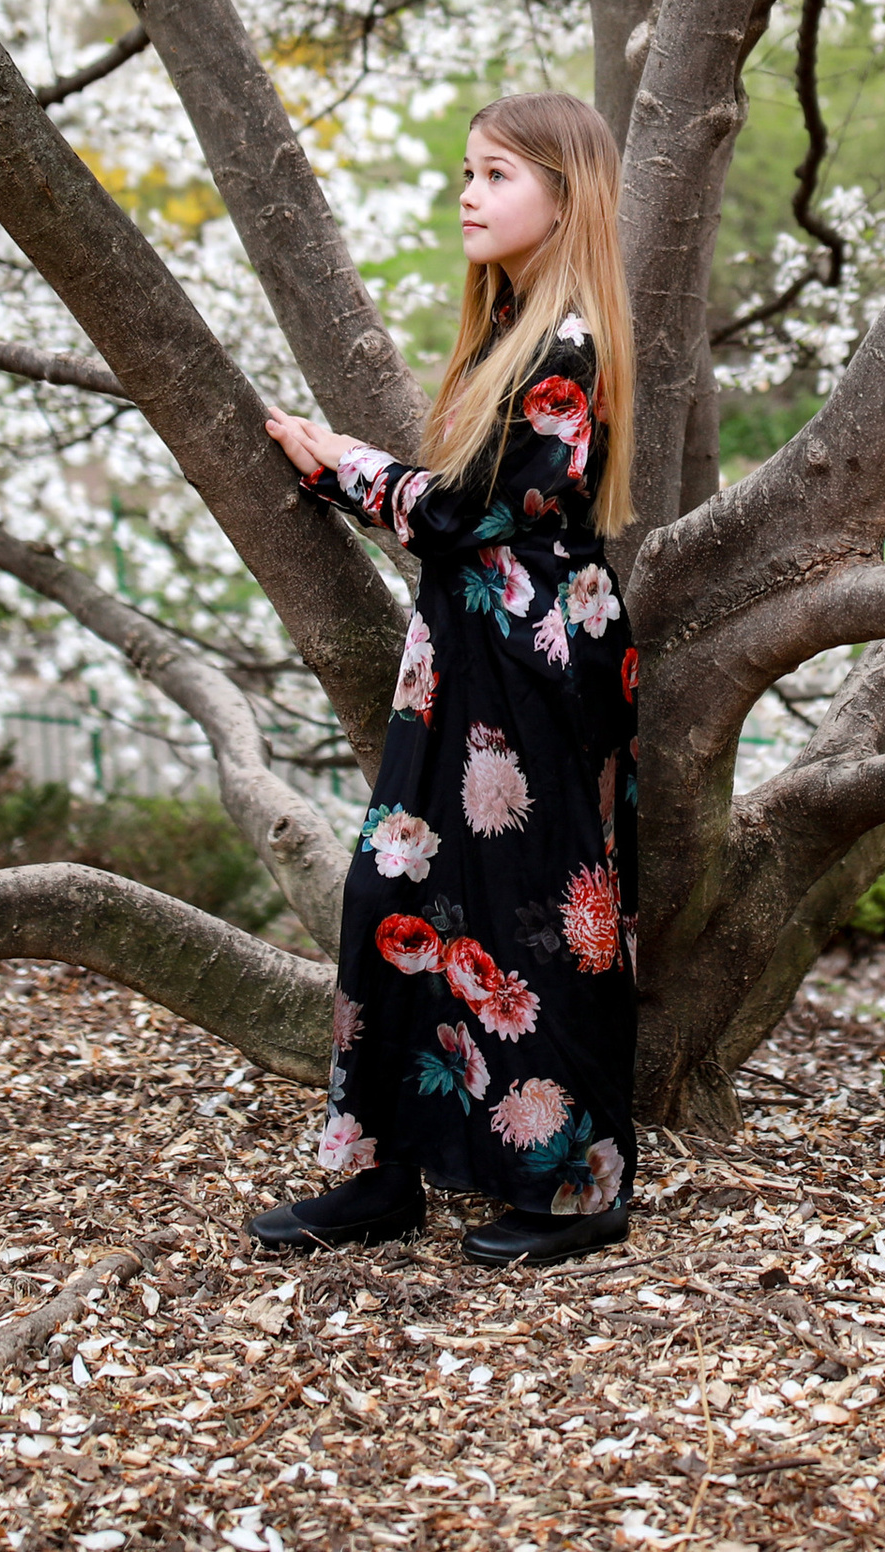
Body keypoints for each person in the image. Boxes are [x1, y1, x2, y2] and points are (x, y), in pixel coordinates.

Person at [245, 90, 640, 1268]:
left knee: (541, 921)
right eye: (466, 171)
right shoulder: (508, 327)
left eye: (498, 175)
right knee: (389, 899)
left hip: (535, 664)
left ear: (566, 198)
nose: (468, 194)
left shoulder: (569, 341)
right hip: (460, 654)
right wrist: (357, 476)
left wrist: (345, 465)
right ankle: (375, 1173)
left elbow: (478, 509)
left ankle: (578, 1189)